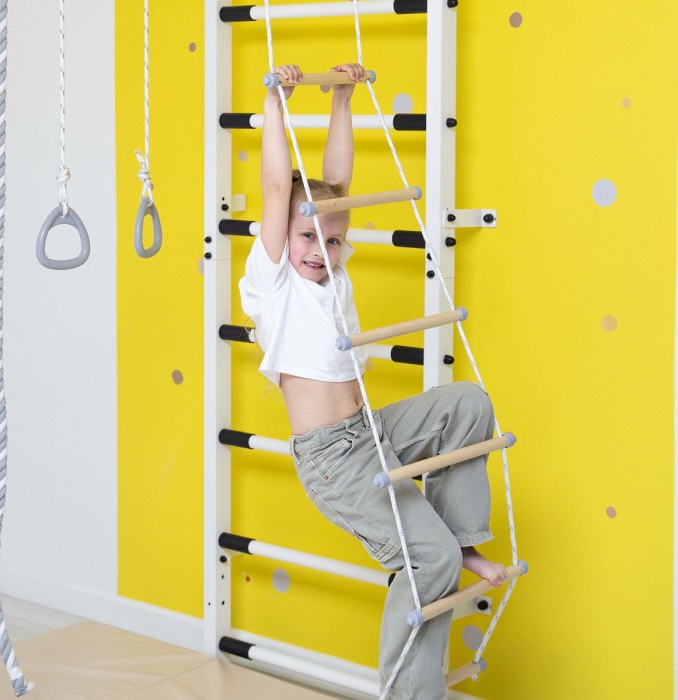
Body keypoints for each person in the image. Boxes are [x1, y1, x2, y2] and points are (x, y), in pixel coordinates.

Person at [239, 63, 506, 700]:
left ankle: (462, 539)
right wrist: (275, 103)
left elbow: (339, 186)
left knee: (468, 403)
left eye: (333, 241)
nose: (320, 250)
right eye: (307, 236)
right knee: (429, 562)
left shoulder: (334, 272)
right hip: (333, 462)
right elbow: (278, 187)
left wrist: (342, 98)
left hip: (371, 433)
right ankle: (411, 690)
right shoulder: (274, 284)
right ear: (283, 236)